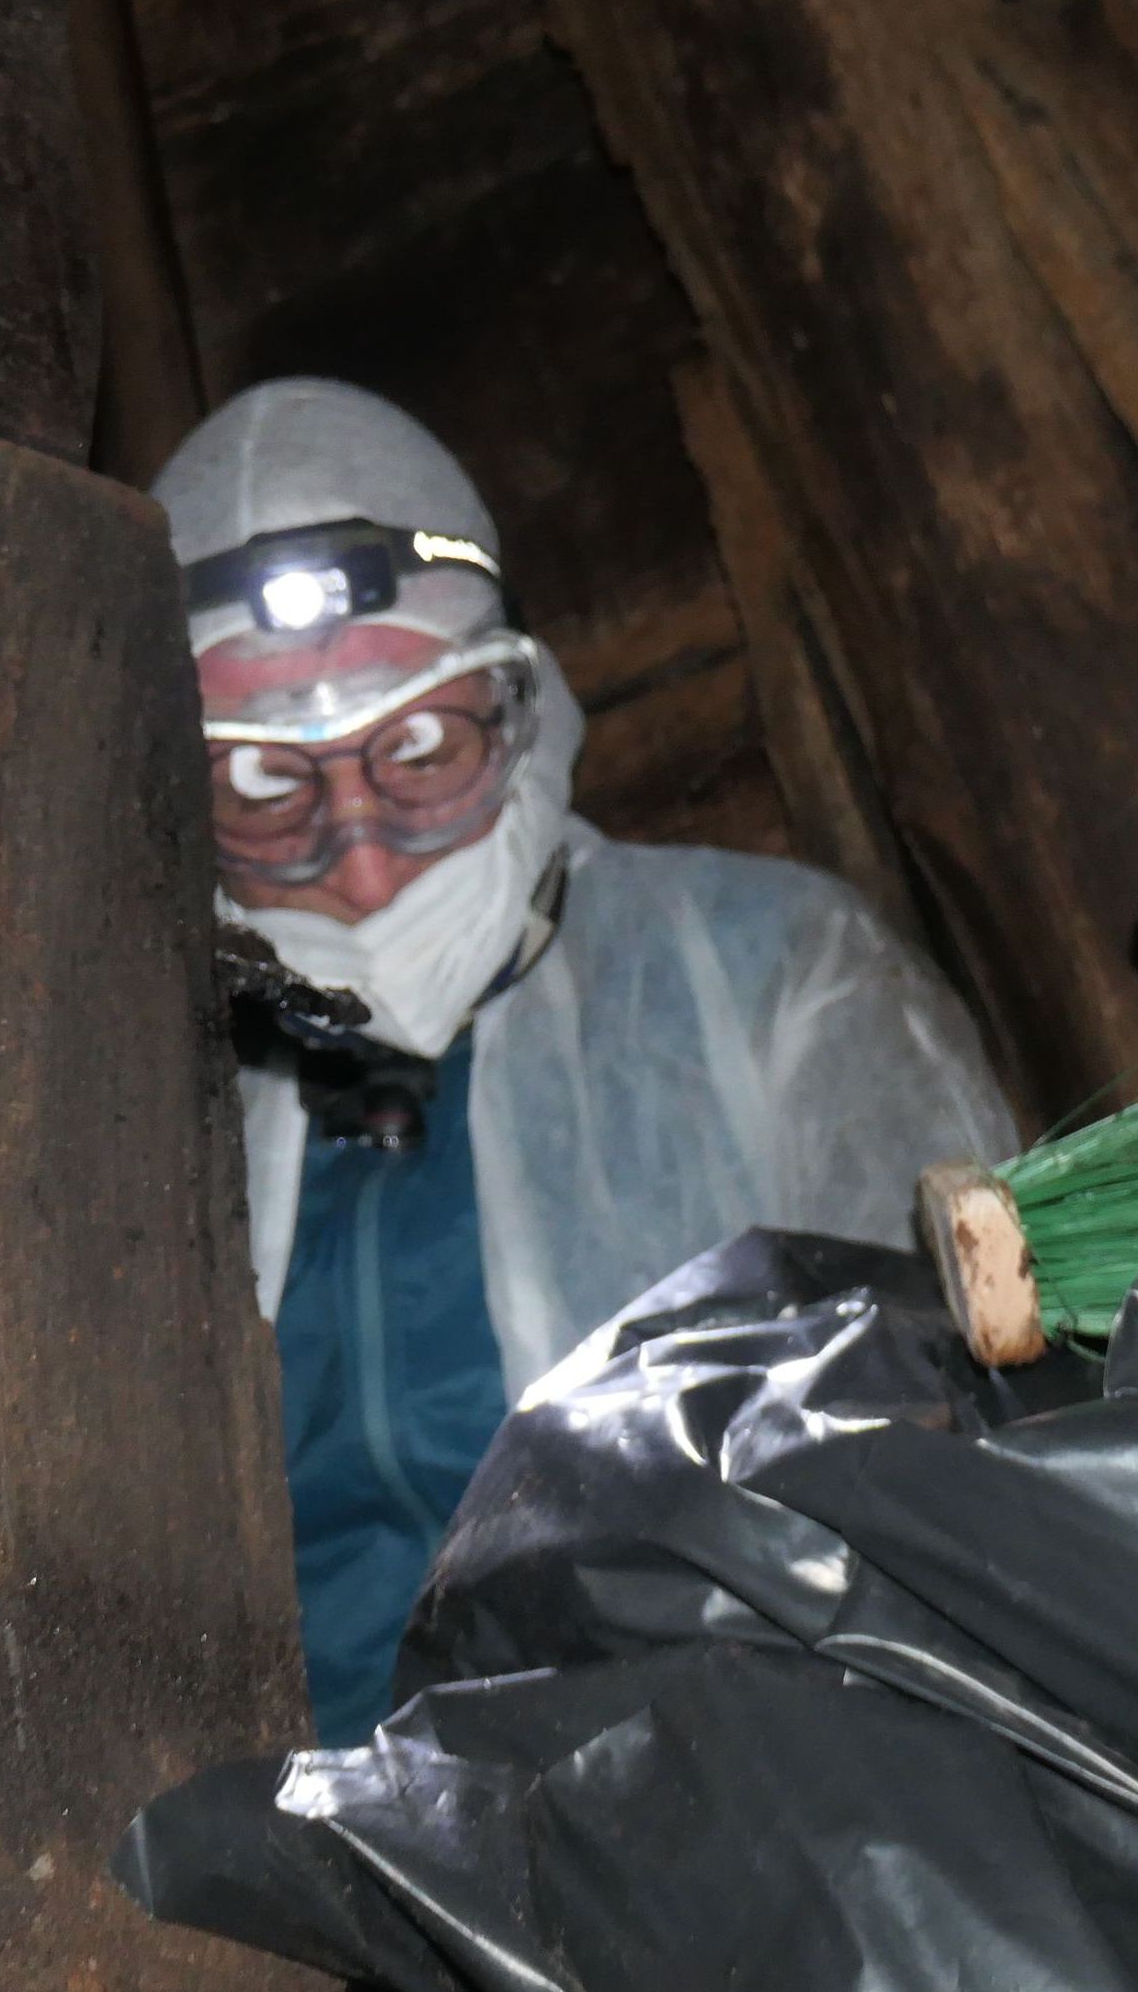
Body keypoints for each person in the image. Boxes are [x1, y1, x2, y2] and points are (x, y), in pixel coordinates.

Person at [151, 377, 1016, 1744]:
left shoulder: (773, 979)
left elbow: (986, 1452)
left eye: (421, 751)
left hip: (739, 1833)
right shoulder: (140, 1105)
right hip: (290, 1889)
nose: (362, 858)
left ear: (517, 708)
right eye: (264, 785)